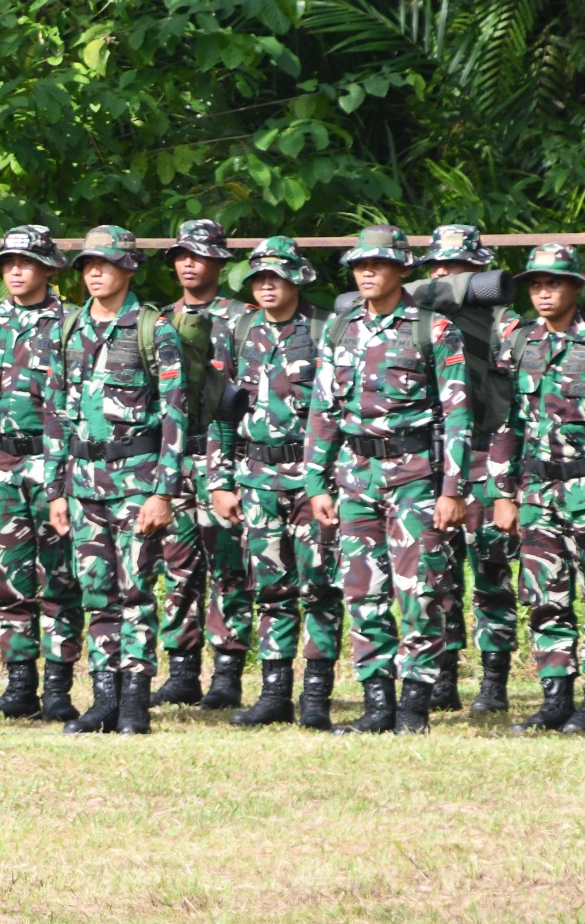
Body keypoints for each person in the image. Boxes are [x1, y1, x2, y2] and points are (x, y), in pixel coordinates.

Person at [303, 224, 471, 735]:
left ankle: (414, 708)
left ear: (402, 269)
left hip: (415, 479)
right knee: (362, 592)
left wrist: (452, 489)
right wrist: (316, 483)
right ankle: (377, 706)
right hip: (355, 478)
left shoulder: (434, 330)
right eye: (359, 265)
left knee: (419, 591)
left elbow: (458, 412)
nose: (367, 273)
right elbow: (322, 409)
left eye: (377, 264)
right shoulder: (338, 329)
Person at [45, 225, 188, 735]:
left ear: (128, 269)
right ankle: (103, 697)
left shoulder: (153, 330)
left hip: (137, 481)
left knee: (136, 593)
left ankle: (134, 703)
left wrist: (163, 491)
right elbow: (57, 414)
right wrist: (56, 490)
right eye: (87, 265)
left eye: (104, 264)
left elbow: (176, 416)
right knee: (96, 593)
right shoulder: (69, 330)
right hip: (83, 484)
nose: (94, 273)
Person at [208, 237, 343, 729]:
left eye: (276, 277)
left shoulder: (328, 329)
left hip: (313, 480)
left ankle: (316, 696)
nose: (266, 285)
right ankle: (274, 693)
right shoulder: (237, 332)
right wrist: (219, 481)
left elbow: (338, 413)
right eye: (259, 278)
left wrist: (325, 478)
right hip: (256, 478)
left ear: (297, 280)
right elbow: (221, 414)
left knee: (321, 585)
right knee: (270, 587)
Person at [489, 244, 585, 732]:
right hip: (537, 493)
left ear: (575, 287)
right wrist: (503, 493)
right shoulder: (518, 343)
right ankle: (555, 699)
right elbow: (505, 422)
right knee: (544, 597)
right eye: (536, 284)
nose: (544, 293)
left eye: (554, 283)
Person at [0, 225, 84, 721]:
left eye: (25, 263)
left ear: (49, 268)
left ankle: (57, 691)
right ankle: (19, 687)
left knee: (61, 580)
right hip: (4, 469)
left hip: (59, 470)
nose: (15, 271)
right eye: (7, 264)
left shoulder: (73, 324)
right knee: (8, 581)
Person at [412, 224, 519, 714]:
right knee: (436, 573)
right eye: (437, 267)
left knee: (492, 572)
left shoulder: (506, 323)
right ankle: (443, 676)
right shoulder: (417, 319)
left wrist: (505, 482)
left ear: (480, 271)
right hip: (431, 459)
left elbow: (513, 404)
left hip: (485, 454)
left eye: (455, 268)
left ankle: (494, 681)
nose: (443, 275)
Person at [151, 219, 255, 711]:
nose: (187, 263)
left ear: (219, 261)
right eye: (180, 255)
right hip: (174, 457)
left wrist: (225, 474)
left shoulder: (242, 319)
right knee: (177, 567)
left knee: (229, 568)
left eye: (198, 254)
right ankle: (182, 670)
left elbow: (240, 404)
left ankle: (228, 672)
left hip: (224, 459)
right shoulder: (159, 321)